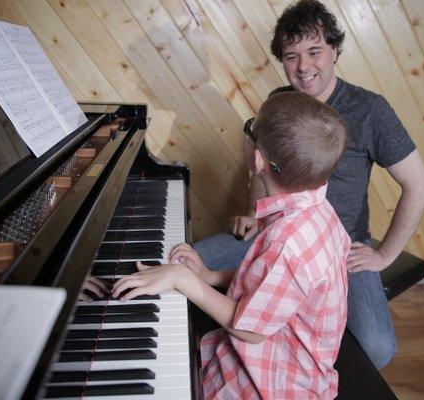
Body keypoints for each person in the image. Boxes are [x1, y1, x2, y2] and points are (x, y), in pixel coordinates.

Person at [194, 0, 424, 369]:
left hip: (341, 249)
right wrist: (251, 214)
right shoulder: (277, 102)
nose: (304, 66)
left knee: (377, 346)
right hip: (272, 239)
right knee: (190, 263)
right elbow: (261, 167)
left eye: (314, 51)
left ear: (335, 50)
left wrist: (383, 255)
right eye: (292, 56)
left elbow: (419, 186)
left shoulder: (371, 110)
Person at [112, 92, 350, 399]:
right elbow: (275, 284)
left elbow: (250, 330)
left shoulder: (288, 243)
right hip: (281, 353)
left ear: (258, 159)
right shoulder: (317, 210)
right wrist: (210, 277)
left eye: (251, 127)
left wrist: (185, 281)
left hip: (276, 383)